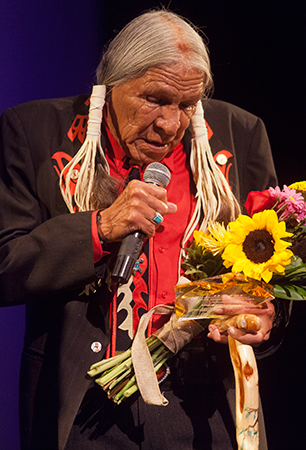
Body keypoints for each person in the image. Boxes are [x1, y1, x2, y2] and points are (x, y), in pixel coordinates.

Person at [0, 8, 286, 450]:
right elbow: (6, 266)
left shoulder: (240, 134)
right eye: (155, 98)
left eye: (187, 105)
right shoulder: (35, 132)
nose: (171, 124)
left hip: (206, 402)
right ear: (111, 84)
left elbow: (270, 277)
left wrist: (262, 315)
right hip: (85, 402)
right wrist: (97, 229)